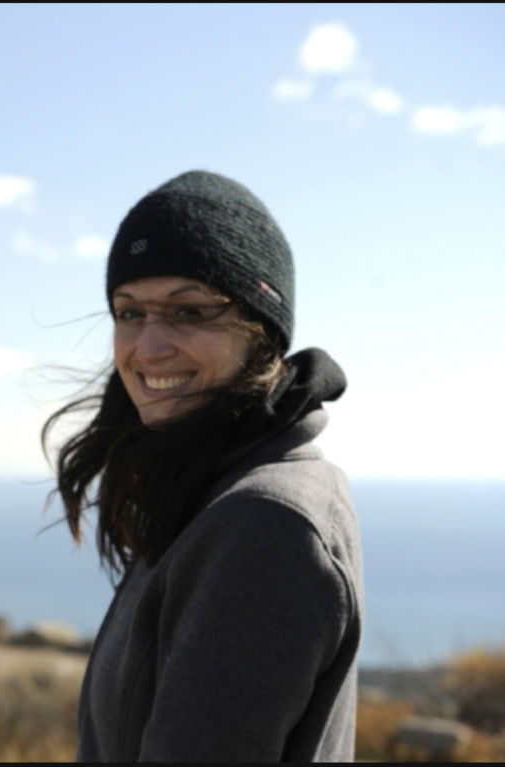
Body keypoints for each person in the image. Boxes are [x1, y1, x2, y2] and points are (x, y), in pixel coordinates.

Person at [42, 171, 363, 761]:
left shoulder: (263, 524)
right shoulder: (203, 491)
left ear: (260, 332)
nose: (148, 347)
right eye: (128, 312)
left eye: (188, 312)